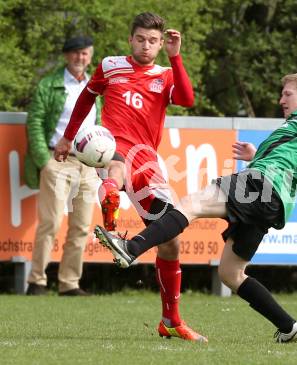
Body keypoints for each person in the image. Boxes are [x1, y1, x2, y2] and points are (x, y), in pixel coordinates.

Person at [94, 72, 297, 343]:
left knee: (189, 205)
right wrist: (255, 154)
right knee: (231, 274)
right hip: (271, 202)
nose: (281, 100)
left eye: (287, 94)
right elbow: (295, 161)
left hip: (261, 185)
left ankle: (131, 248)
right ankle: (289, 327)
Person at [54, 13, 206, 342]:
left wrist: (176, 56)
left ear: (160, 41)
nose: (146, 46)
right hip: (110, 146)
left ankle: (171, 320)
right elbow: (86, 98)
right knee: (115, 163)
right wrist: (68, 137)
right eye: (141, 39)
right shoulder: (110, 66)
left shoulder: (165, 75)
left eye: (153, 41)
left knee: (170, 240)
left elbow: (187, 100)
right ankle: (111, 197)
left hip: (147, 161)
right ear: (130, 39)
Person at [25, 36, 101, 296]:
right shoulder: (50, 84)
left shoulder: (95, 86)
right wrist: (42, 159)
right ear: (67, 56)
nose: (81, 58)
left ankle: (69, 283)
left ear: (90, 56)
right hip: (56, 159)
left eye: (85, 54)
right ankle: (37, 281)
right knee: (51, 222)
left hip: (87, 162)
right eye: (76, 53)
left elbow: (97, 125)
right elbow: (34, 121)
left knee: (81, 226)